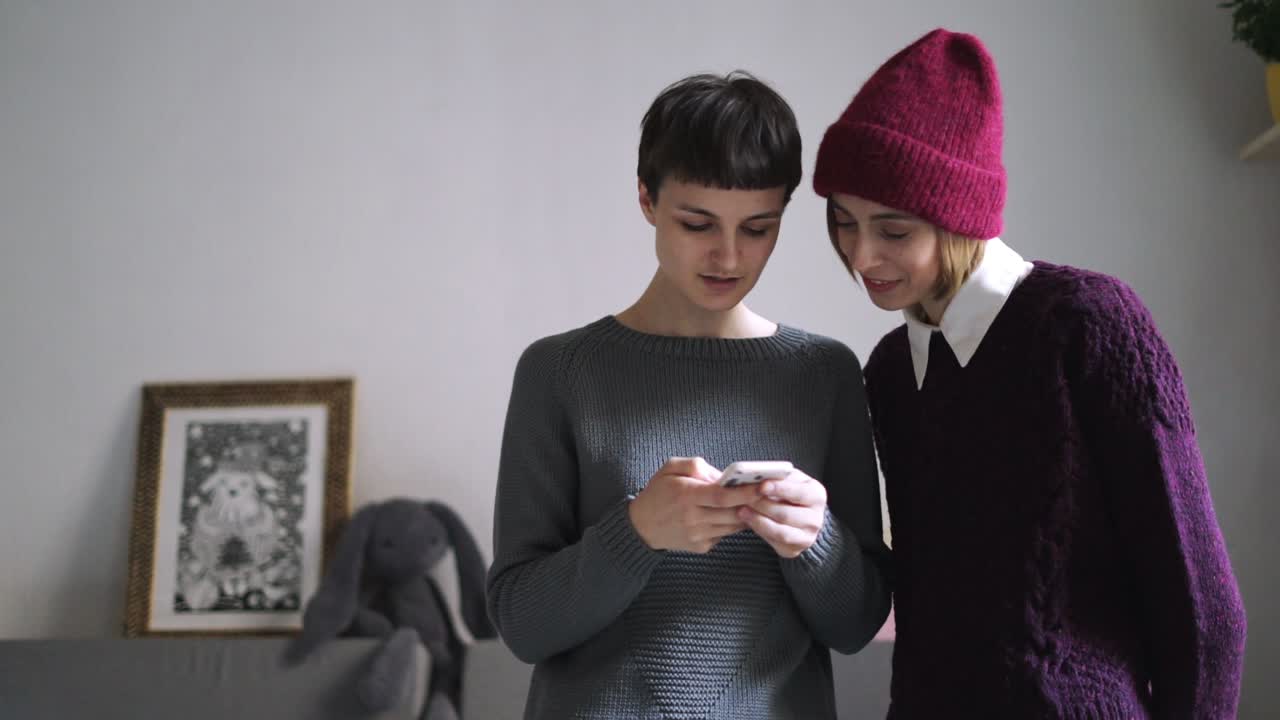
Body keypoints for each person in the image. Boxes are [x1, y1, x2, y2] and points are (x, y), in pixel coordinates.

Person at [812, 27, 1247, 718]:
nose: (861, 255)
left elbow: (1203, 612)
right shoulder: (892, 372)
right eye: (842, 221)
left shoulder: (1090, 323)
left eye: (893, 231)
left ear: (958, 220)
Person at [487, 71, 891, 719]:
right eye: (697, 222)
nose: (728, 256)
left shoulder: (825, 373)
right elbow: (520, 625)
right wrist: (638, 532)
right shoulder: (558, 371)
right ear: (646, 198)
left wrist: (817, 541)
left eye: (758, 228)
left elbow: (855, 627)